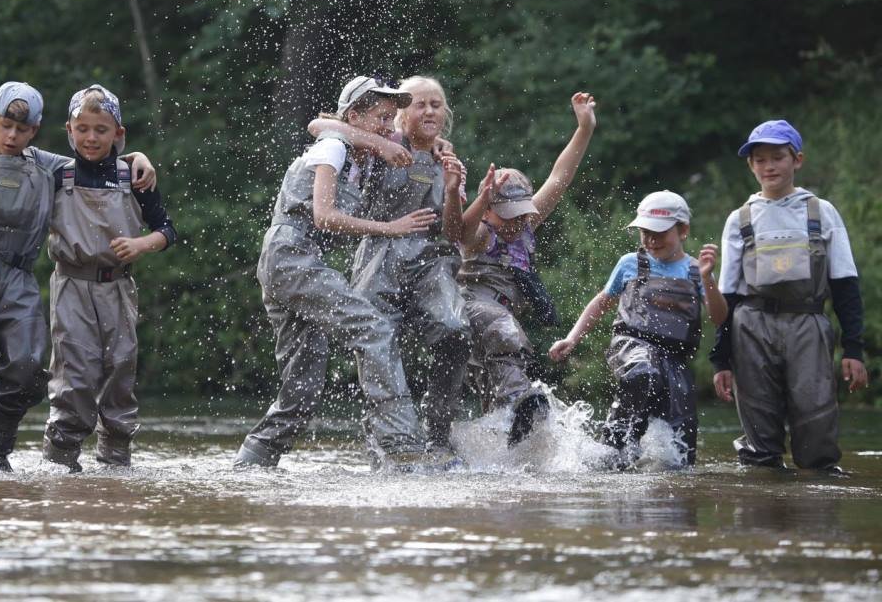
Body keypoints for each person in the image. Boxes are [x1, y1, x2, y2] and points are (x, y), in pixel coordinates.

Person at [0, 84, 156, 472]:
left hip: (22, 276)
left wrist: (138, 156)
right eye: (5, 126)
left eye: (22, 129)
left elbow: (96, 161)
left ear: (35, 130)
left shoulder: (51, 166)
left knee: (30, 368)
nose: (12, 136)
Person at [234, 76, 450, 471]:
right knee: (373, 327)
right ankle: (403, 448)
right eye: (383, 118)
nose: (390, 125)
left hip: (294, 262)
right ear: (355, 116)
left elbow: (341, 126)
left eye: (392, 119)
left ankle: (250, 465)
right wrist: (391, 228)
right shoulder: (334, 147)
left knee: (303, 389)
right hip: (289, 255)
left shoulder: (361, 154)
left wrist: (428, 145)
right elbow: (325, 215)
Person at [307, 75, 469, 455]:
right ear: (402, 113)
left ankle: (438, 432)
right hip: (380, 257)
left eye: (436, 104)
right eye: (420, 104)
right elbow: (320, 125)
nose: (429, 111)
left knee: (456, 329)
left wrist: (450, 189)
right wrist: (380, 143)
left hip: (430, 260)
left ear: (445, 113)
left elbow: (454, 231)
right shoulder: (385, 141)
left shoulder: (449, 159)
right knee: (377, 341)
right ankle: (384, 443)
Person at [709, 120, 867, 472]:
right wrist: (720, 359)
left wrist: (854, 348)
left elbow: (845, 283)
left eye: (778, 157)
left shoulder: (821, 212)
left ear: (797, 160)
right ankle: (764, 505)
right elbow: (728, 294)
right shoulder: (739, 219)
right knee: (759, 437)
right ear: (751, 166)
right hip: (750, 327)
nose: (769, 166)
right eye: (760, 159)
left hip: (808, 323)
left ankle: (817, 501)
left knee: (816, 423)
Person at [39, 84, 176, 472]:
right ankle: (59, 462)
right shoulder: (55, 173)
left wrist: (141, 244)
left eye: (101, 130)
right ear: (69, 130)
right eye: (82, 129)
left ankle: (115, 463)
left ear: (119, 134)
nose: (91, 138)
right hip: (70, 284)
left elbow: (167, 229)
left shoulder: (135, 176)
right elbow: (8, 151)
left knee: (120, 368)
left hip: (118, 286)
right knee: (74, 373)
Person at [549, 191, 728, 467]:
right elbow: (601, 303)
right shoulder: (630, 263)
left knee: (681, 448)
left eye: (659, 233)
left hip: (675, 359)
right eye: (645, 232)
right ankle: (612, 446)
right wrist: (572, 339)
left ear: (683, 231)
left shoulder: (696, 271)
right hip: (630, 345)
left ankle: (651, 471)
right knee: (644, 371)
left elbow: (719, 316)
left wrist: (708, 280)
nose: (651, 240)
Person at [458, 92, 596, 445]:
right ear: (487, 209)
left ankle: (506, 442)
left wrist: (584, 128)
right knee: (506, 333)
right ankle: (523, 398)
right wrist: (480, 199)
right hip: (473, 310)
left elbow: (560, 178)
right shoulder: (479, 234)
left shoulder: (527, 224)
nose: (515, 223)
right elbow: (458, 230)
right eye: (507, 216)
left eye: (520, 214)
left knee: (497, 384)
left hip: (503, 323)